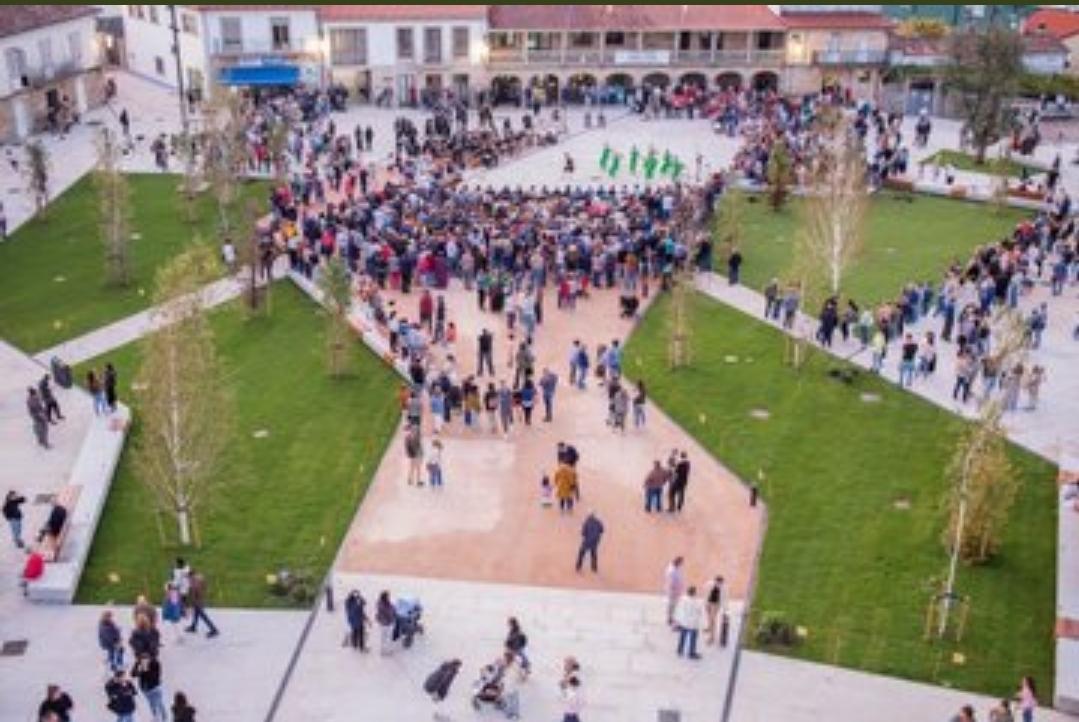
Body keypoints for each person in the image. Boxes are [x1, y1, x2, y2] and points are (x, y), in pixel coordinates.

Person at [133, 653, 168, 722]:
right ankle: (155, 716)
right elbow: (133, 674)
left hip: (155, 687)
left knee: (159, 702)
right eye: (142, 660)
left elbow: (156, 676)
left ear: (149, 659)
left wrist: (146, 670)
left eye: (145, 660)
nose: (144, 661)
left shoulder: (155, 664)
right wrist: (138, 669)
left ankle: (164, 716)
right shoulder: (139, 664)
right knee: (151, 703)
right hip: (145, 689)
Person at [185, 568, 219, 638]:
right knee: (196, 614)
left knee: (203, 616)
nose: (188, 579)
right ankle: (193, 627)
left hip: (198, 602)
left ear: (191, 575)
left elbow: (196, 593)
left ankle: (214, 629)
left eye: (188, 577)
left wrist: (192, 600)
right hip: (199, 601)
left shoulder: (195, 582)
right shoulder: (198, 578)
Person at [674, 585, 705, 659]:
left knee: (683, 636)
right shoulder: (697, 602)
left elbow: (679, 609)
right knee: (693, 639)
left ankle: (680, 650)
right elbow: (699, 612)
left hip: (684, 622)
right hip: (693, 623)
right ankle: (691, 652)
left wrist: (678, 621)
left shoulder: (683, 599)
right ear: (694, 593)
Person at [664, 557, 686, 627]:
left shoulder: (678, 569)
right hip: (673, 591)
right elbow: (671, 581)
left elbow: (680, 578)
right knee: (671, 605)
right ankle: (669, 618)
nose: (682, 564)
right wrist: (674, 590)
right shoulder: (671, 570)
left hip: (677, 590)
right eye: (681, 562)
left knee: (674, 605)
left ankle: (672, 617)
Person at [704, 575, 726, 645]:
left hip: (715, 605)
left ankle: (711, 637)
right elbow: (706, 592)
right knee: (709, 617)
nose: (719, 585)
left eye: (720, 583)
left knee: (713, 620)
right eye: (718, 583)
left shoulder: (723, 588)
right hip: (708, 603)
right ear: (716, 581)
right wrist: (705, 603)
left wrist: (725, 609)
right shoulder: (709, 584)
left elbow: (725, 598)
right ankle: (709, 627)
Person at [376, 590, 397, 655]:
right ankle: (387, 651)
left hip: (382, 623)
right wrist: (393, 618)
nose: (389, 597)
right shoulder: (386, 605)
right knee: (388, 637)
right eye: (388, 596)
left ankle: (383, 650)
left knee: (383, 637)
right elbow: (390, 613)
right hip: (387, 623)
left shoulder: (379, 603)